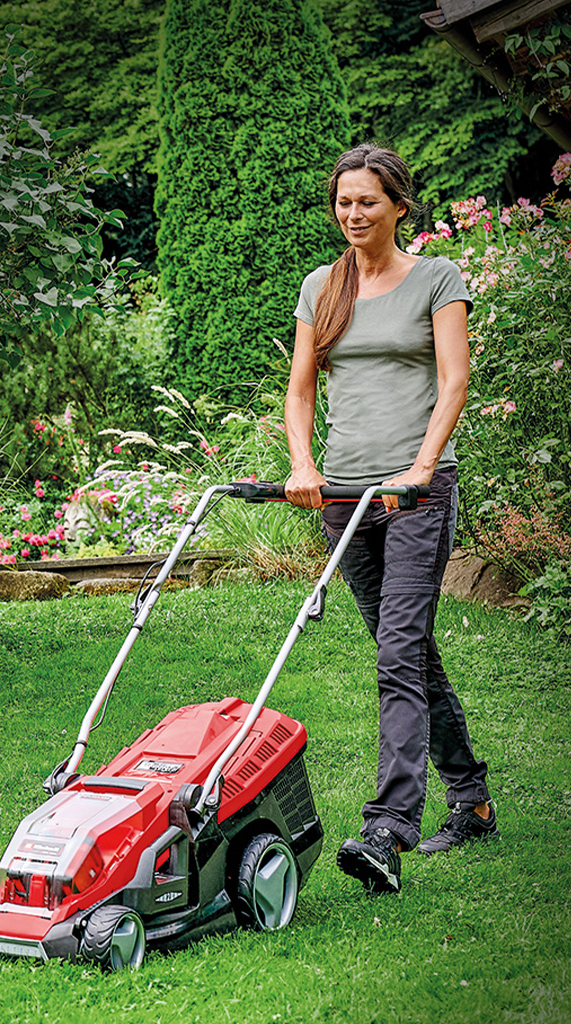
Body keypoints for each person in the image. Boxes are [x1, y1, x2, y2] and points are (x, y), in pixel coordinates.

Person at [284, 143, 497, 895]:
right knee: (404, 648)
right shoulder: (323, 286)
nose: (353, 213)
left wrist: (422, 465)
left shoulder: (436, 278)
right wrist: (304, 465)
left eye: (368, 201)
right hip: (343, 498)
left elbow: (454, 379)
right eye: (344, 201)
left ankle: (389, 828)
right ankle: (470, 798)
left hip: (415, 495)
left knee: (399, 651)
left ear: (400, 205)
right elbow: (302, 392)